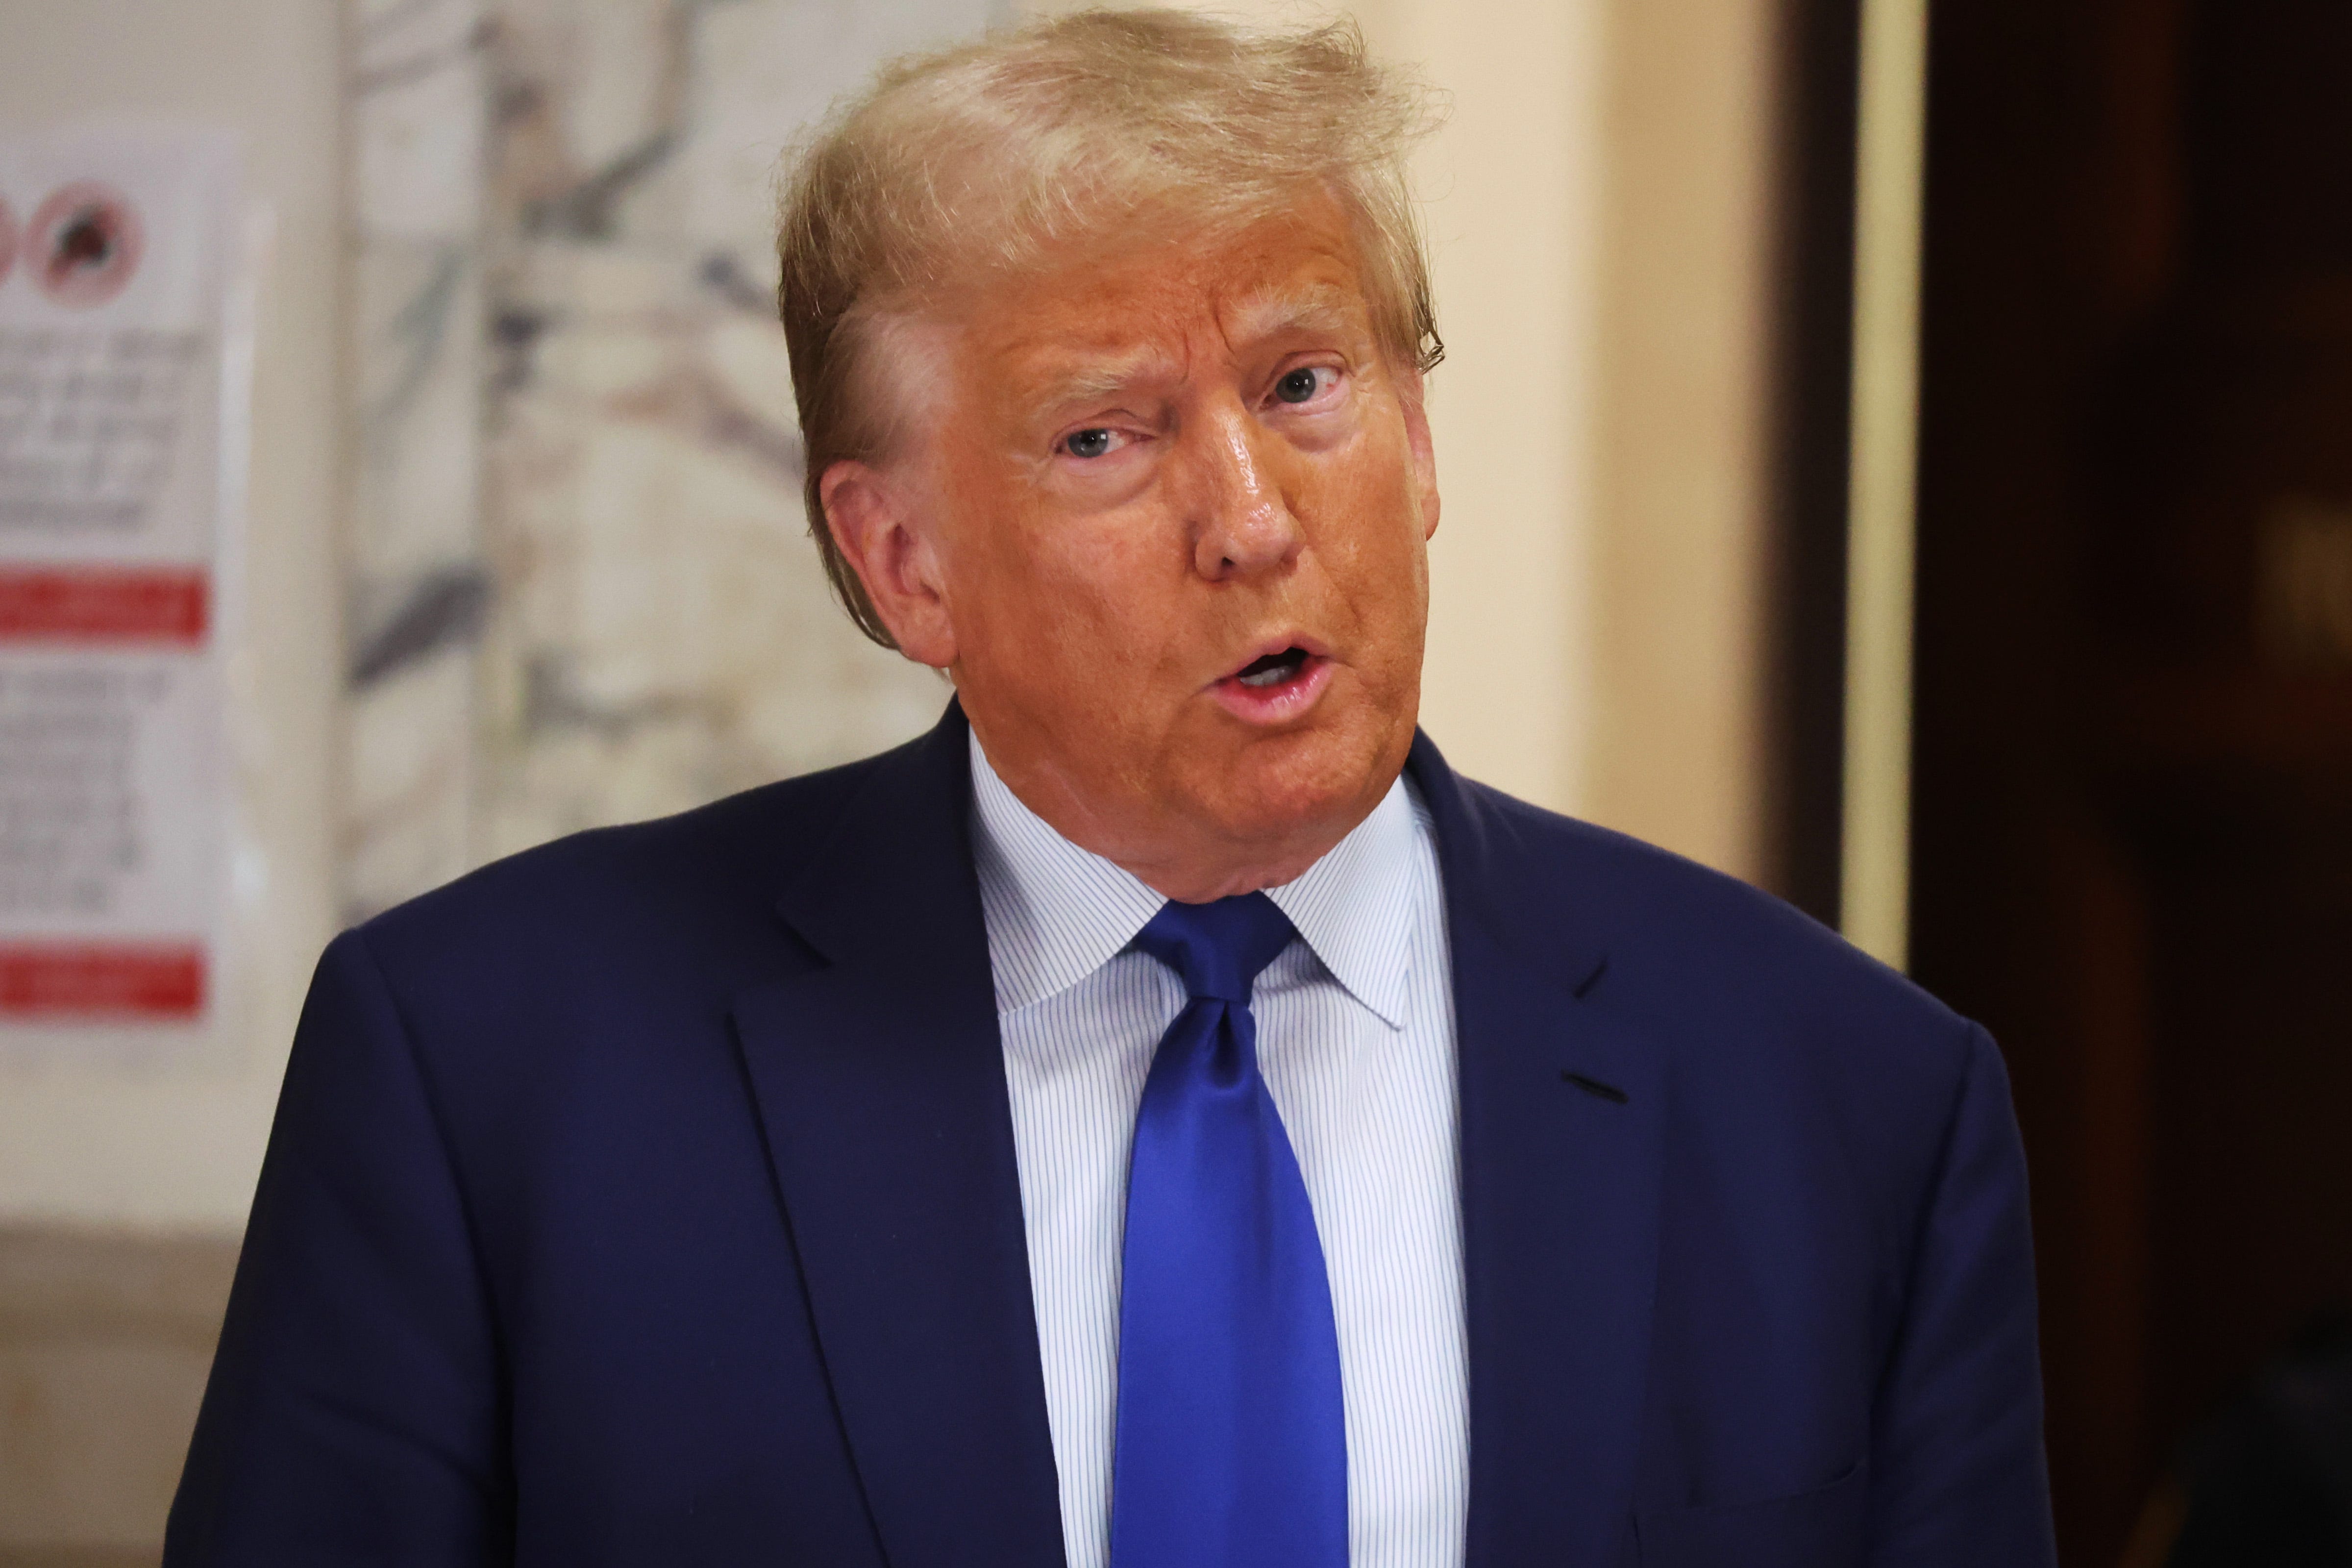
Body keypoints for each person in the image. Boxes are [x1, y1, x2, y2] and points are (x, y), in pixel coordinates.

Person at [165, 11, 2056, 1567]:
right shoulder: (490, 1073)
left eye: (1306, 383)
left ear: (1416, 434)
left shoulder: (1849, 1101)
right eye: (1104, 433)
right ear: (904, 562)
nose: (1250, 520)